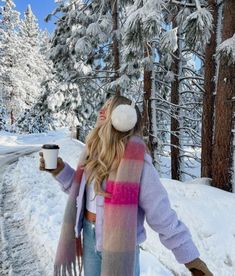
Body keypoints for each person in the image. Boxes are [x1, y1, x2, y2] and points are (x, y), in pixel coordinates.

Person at [39, 95, 213, 276]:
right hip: (89, 237)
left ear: (123, 116)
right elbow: (80, 196)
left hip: (121, 247)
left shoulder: (138, 164)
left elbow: (162, 216)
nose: (101, 110)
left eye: (108, 107)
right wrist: (59, 170)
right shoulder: (92, 153)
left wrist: (191, 260)